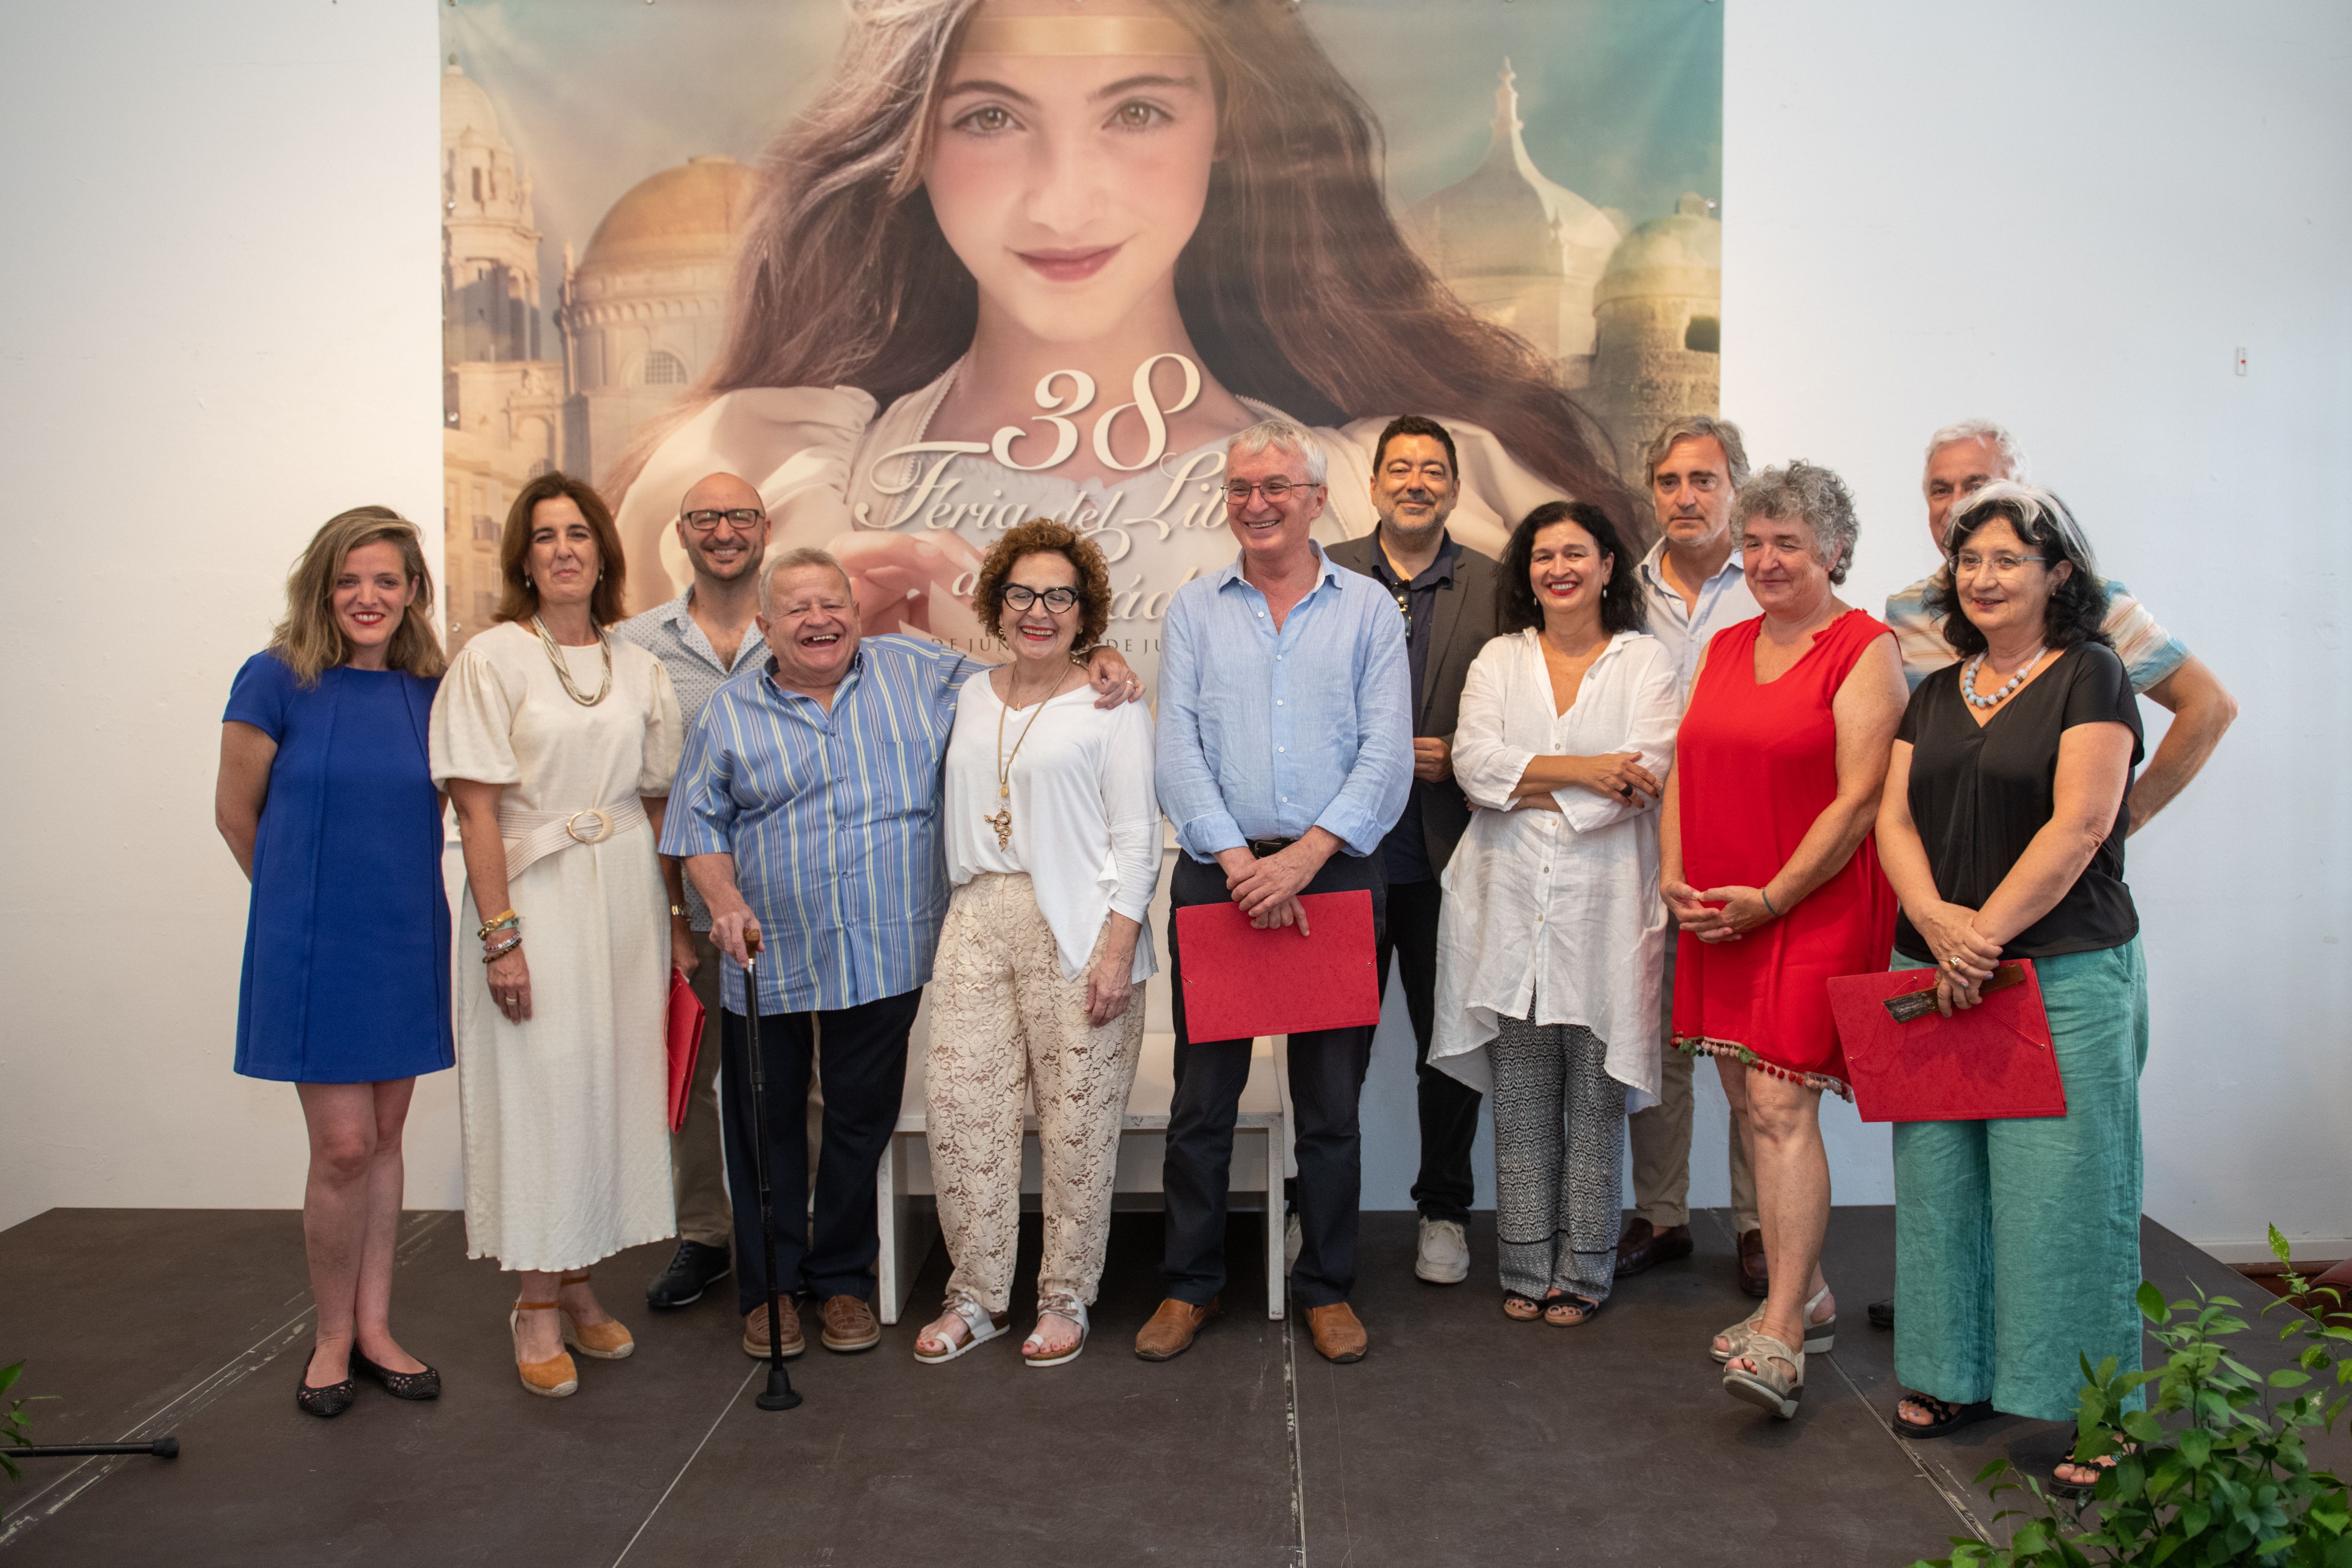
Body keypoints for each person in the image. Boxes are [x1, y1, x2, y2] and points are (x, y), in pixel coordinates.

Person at [606, 0, 1640, 676]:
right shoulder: (765, 479)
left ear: (1225, 125)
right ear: (912, 141)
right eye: (991, 119)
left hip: (1260, 977)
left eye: (1136, 112)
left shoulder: (1413, 495)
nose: (1063, 202)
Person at [663, 550, 1139, 1363]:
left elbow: (1029, 661)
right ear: (764, 627)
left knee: (859, 1121)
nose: (818, 620)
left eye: (832, 604)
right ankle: (772, 1291)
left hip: (881, 949)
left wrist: (1099, 653)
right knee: (763, 1126)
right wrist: (722, 901)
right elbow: (696, 824)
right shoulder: (728, 711)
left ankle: (845, 1281)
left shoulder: (919, 669)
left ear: (857, 611)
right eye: (797, 609)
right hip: (767, 951)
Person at [1874, 483, 2149, 1493]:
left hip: (2057, 974)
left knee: (2061, 1202)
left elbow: (2079, 826)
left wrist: (1979, 935)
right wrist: (1940, 929)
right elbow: (1893, 821)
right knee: (1942, 1188)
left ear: (2057, 574)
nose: (1982, 578)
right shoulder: (1935, 689)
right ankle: (1952, 1378)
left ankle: (2094, 1413)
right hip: (1935, 970)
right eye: (1968, 561)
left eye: (2005, 560)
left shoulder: (2092, 677)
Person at [1143, 418, 1412, 1365]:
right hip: (1221, 875)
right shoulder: (1193, 610)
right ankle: (1190, 1286)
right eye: (1240, 489)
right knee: (1201, 1102)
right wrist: (1237, 861)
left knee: (1330, 1106)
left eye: (1275, 488)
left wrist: (1301, 860)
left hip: (1332, 874)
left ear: (1314, 499)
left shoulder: (1371, 609)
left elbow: (1386, 753)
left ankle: (1327, 1287)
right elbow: (1174, 748)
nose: (1256, 504)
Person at [430, 472, 689, 1400]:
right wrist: (501, 936)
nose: (565, 549)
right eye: (545, 537)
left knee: (605, 1085)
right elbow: (475, 808)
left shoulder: (638, 665)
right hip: (532, 897)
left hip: (621, 895)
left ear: (604, 553)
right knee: (542, 1088)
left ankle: (580, 1284)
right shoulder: (493, 657)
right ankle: (535, 1302)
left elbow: (660, 802)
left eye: (579, 532)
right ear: (524, 559)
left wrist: (676, 922)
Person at [1660, 461, 1908, 1419]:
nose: (1764, 560)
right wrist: (1674, 875)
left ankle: (1781, 1332)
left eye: (1787, 546)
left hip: (1807, 907)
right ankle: (1803, 1291)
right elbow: (1685, 766)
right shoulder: (1724, 646)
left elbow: (1857, 803)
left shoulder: (1864, 648)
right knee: (1739, 1090)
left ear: (1834, 551)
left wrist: (1770, 897)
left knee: (1776, 1103)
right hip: (1717, 908)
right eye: (1753, 542)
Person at [216, 508, 453, 1418]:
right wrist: (295, 906)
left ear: (411, 592)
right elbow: (238, 814)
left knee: (387, 1140)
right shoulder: (275, 678)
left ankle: (377, 1328)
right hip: (312, 941)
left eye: (386, 581)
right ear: (323, 587)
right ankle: (328, 1337)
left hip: (404, 935)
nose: (368, 597)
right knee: (343, 1146)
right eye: (350, 580)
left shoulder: (429, 687)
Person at [914, 521, 1161, 1368]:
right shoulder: (964, 692)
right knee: (963, 1115)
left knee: (1077, 1126)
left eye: (1059, 596)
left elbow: (1137, 835)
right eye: (1021, 593)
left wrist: (1118, 949)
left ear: (1084, 611)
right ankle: (977, 1296)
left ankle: (1065, 1296)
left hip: (1083, 928)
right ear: (995, 602)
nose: (1038, 611)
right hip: (977, 918)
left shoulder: (1111, 702)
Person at [1429, 502, 1676, 1325]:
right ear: (1525, 573)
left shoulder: (1645, 662)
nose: (1558, 568)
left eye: (1576, 553)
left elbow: (1642, 779)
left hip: (1605, 910)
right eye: (1543, 556)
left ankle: (1587, 1268)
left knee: (1595, 1106)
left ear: (1609, 565)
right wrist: (1585, 768)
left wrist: (1533, 783)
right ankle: (1525, 1265)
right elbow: (1473, 762)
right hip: (1507, 909)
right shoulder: (1500, 658)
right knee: (1523, 1097)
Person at [1323, 415, 1501, 1287]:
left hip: (1451, 858)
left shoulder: (1498, 586)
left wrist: (1457, 753)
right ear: (1374, 483)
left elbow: (1523, 703)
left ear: (1455, 489)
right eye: (1400, 468)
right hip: (1342, 857)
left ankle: (1442, 1208)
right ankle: (1312, 1208)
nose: (1416, 482)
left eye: (1434, 470)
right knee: (1333, 1053)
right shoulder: (1325, 575)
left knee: (1450, 1047)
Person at [1885, 419, 2232, 833]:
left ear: (2021, 494)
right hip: (1943, 868)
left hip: (2056, 867)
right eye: (1941, 489)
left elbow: (2210, 705)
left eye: (1977, 486)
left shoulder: (2092, 602)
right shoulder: (1905, 612)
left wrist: (2121, 821)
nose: (1956, 504)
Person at [614, 471, 773, 1312]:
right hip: (683, 903)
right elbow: (627, 787)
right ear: (682, 534)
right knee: (694, 1073)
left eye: (738, 516)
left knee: (803, 1078)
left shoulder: (803, 632)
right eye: (705, 518)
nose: (723, 531)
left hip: (791, 895)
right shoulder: (634, 646)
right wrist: (673, 916)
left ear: (765, 528)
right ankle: (706, 1234)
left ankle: (798, 1231)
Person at [1618, 415, 1768, 1296]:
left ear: (1734, 489)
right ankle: (1662, 1215)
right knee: (1658, 1039)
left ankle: (1756, 1224)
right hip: (1637, 852)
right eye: (1670, 481)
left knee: (1745, 1049)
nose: (1685, 496)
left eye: (1703, 480)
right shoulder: (1621, 587)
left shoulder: (1770, 584)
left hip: (1742, 849)